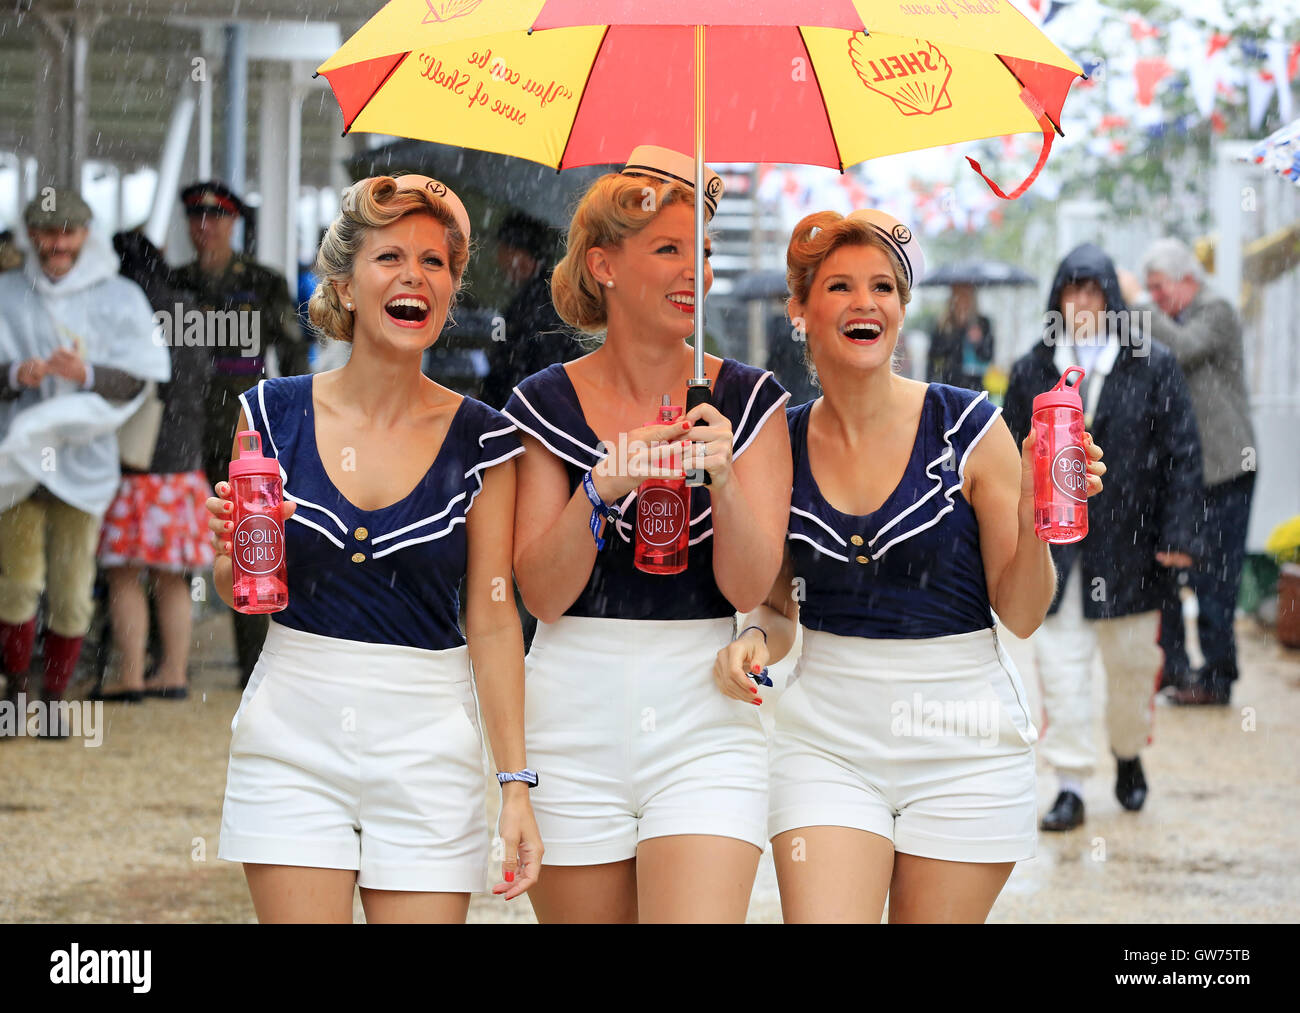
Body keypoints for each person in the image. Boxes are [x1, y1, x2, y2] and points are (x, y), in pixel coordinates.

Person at [714, 210, 1105, 923]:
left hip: (964, 743)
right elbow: (776, 609)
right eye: (840, 286)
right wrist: (752, 640)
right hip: (826, 743)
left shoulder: (969, 426)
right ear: (800, 310)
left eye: (884, 287)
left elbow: (1020, 613)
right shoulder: (781, 441)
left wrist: (1031, 523)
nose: (867, 301)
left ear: (901, 308)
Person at [210, 175, 541, 922]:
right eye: (391, 256)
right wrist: (227, 550)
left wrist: (516, 783)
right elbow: (243, 584)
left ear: (452, 291)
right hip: (291, 727)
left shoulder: (484, 440)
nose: (415, 277)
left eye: (436, 263)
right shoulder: (268, 413)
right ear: (346, 284)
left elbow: (492, 619)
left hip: (429, 738)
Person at [503, 146, 792, 923]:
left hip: (706, 708)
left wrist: (724, 478)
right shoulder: (541, 403)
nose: (693, 271)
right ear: (604, 264)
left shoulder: (750, 398)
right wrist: (598, 489)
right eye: (668, 249)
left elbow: (747, 587)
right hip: (570, 706)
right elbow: (543, 592)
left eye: (701, 250)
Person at [1003, 243, 1202, 832]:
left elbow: (1183, 454)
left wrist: (1179, 531)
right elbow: (1008, 456)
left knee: (1132, 671)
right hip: (1059, 557)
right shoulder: (1032, 369)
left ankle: (1128, 754)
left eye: (1094, 292)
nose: (1083, 304)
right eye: (1072, 291)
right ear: (1057, 299)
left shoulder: (1153, 363)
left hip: (1134, 551)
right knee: (1062, 674)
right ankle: (1068, 784)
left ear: (1112, 300)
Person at [0, 191, 169, 737]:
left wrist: (88, 373)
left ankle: (53, 701)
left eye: (67, 233)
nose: (57, 244)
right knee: (18, 585)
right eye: (47, 233)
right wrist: (12, 376)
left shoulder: (118, 297)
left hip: (85, 464)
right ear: (31, 236)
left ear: (85, 236)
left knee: (72, 589)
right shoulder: (7, 293)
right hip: (18, 462)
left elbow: (140, 377)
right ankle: (15, 696)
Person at [174, 181, 308, 688]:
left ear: (233, 223)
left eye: (215, 217)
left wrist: (294, 417)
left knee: (249, 540)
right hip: (179, 430)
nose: (204, 227)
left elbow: (292, 354)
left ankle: (254, 665)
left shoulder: (262, 282)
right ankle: (166, 661)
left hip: (241, 429)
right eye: (196, 217)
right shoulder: (174, 281)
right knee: (172, 543)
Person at [1119, 241, 1257, 705]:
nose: (1155, 298)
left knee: (1216, 578)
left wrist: (1137, 302)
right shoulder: (1175, 316)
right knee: (1173, 570)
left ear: (1186, 279)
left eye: (1159, 288)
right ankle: (1176, 670)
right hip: (1189, 473)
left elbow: (1180, 351)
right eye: (1151, 291)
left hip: (1225, 469)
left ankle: (1217, 678)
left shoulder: (1215, 310)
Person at [91, 232, 212, 702]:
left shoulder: (119, 309)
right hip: (183, 469)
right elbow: (203, 377)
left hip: (134, 465)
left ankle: (129, 676)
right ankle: (174, 673)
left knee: (125, 574)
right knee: (172, 576)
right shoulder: (191, 310)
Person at [479, 210, 578, 411]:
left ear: (521, 255)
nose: (500, 259)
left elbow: (522, 369)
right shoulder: (543, 297)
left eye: (504, 250)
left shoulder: (539, 304)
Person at [927, 282, 994, 390]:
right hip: (949, 385)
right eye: (959, 295)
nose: (963, 300)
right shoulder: (943, 325)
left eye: (967, 295)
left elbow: (988, 355)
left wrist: (977, 342)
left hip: (975, 386)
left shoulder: (982, 323)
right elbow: (934, 358)